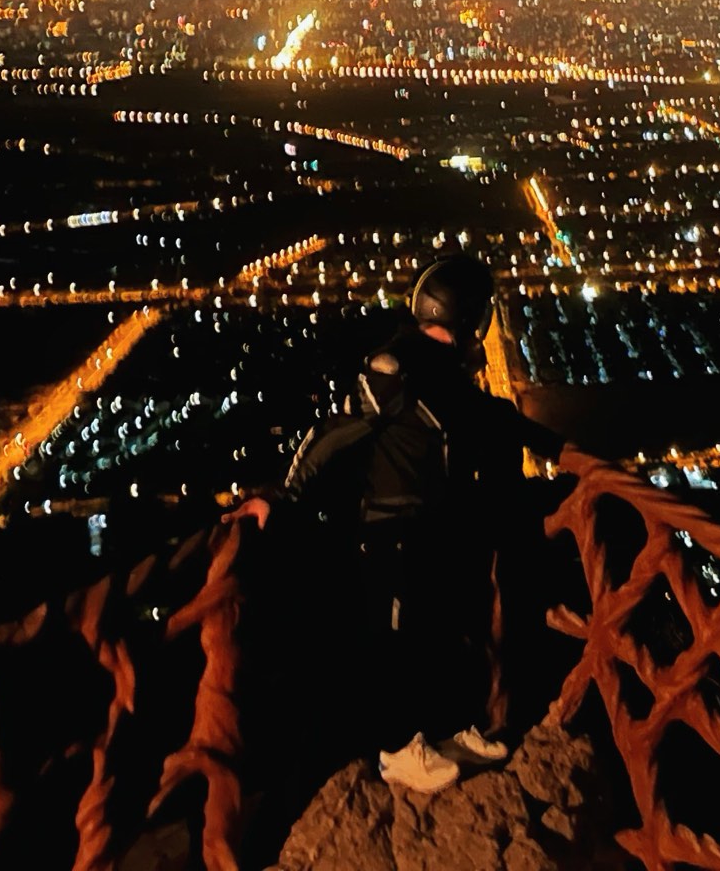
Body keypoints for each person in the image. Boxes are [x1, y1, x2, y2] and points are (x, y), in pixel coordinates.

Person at [228, 254, 564, 795]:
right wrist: (285, 496)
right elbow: (333, 434)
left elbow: (483, 415)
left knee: (440, 636)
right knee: (396, 645)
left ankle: (451, 731)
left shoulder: (441, 368)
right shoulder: (396, 367)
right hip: (389, 532)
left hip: (433, 527)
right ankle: (397, 750)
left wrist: (554, 445)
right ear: (468, 314)